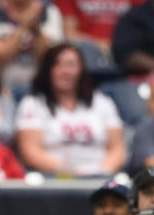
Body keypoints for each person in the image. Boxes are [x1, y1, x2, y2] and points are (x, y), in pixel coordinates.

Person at [16, 44, 125, 177]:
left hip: (100, 177)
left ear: (81, 69)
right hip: (53, 179)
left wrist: (102, 172)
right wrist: (70, 174)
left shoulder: (102, 102)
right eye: (57, 65)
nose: (65, 71)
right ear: (48, 70)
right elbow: (30, 152)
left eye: (71, 65)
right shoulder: (32, 104)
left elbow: (117, 148)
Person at [0, 0, 65, 95]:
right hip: (1, 91)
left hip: (41, 92)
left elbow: (51, 59)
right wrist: (23, 26)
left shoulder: (49, 11)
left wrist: (36, 29)